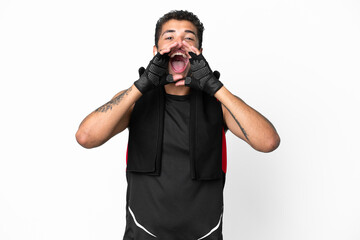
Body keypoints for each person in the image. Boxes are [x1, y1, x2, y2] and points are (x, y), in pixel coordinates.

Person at [76, 10, 280, 240]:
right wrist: (142, 85)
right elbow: (85, 137)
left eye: (189, 38)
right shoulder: (134, 101)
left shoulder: (218, 103)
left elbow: (268, 141)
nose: (179, 44)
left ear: (199, 53)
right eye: (169, 37)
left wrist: (215, 87)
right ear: (155, 51)